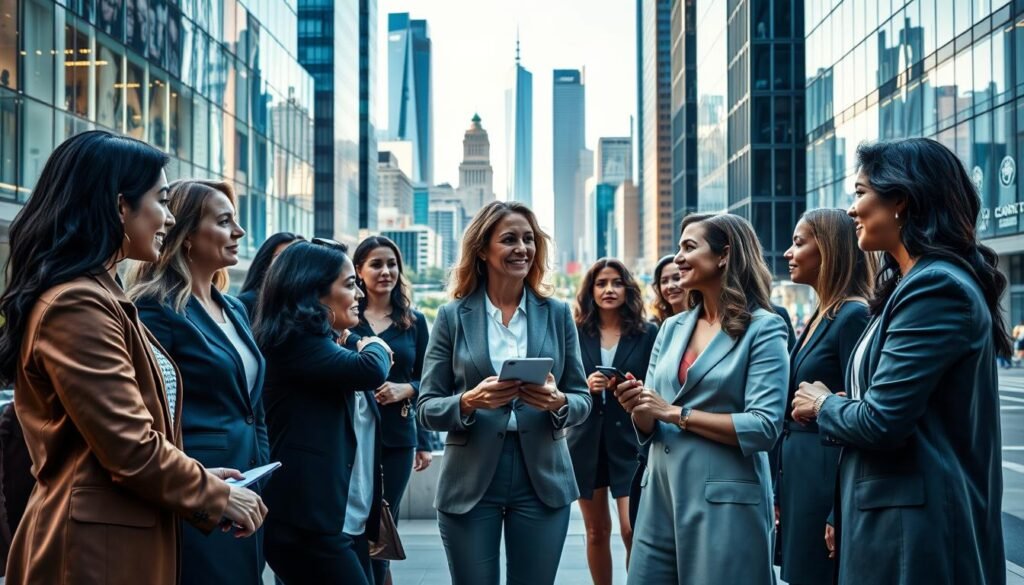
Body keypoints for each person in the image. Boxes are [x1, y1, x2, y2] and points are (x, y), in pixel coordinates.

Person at [0, 130, 265, 585]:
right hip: (93, 554)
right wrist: (214, 493)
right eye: (161, 200)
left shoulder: (105, 296)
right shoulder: (77, 304)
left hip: (123, 539)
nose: (167, 217)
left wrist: (200, 476)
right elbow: (128, 446)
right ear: (120, 206)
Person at [792, 138, 1007, 584]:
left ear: (900, 202)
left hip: (916, 535)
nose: (851, 209)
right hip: (893, 523)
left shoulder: (935, 289)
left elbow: (882, 421)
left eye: (860, 193)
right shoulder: (911, 286)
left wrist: (824, 405)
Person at [417, 200, 591, 585]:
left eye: (529, 239)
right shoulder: (452, 316)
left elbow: (582, 398)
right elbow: (426, 407)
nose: (522, 248)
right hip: (471, 478)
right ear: (482, 250)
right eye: (509, 239)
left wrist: (559, 402)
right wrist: (469, 401)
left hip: (542, 476)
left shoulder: (558, 312)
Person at [615, 213, 789, 584]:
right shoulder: (671, 327)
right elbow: (653, 417)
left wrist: (674, 412)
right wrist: (639, 408)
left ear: (724, 255)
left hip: (724, 503)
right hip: (658, 496)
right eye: (679, 247)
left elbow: (763, 427)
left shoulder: (765, 327)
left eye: (689, 247)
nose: (678, 257)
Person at [126, 179, 269, 585]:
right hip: (198, 492)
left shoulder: (235, 309)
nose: (238, 232)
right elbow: (149, 415)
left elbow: (252, 407)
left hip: (247, 488)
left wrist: (263, 470)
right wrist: (198, 488)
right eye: (225, 222)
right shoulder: (154, 309)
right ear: (187, 235)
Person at [256, 240, 393, 585]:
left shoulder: (327, 345)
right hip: (309, 525)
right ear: (314, 292)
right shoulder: (293, 342)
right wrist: (374, 342)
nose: (359, 293)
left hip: (345, 519)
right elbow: (371, 370)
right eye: (349, 284)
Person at [777, 208, 872, 585]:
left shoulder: (853, 316)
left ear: (830, 250)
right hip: (801, 480)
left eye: (799, 243)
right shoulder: (821, 314)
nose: (788, 252)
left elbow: (862, 411)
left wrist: (837, 510)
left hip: (826, 481)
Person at [569, 258, 658, 585]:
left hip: (630, 441)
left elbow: (656, 384)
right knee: (595, 531)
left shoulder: (648, 333)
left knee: (631, 528)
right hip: (585, 442)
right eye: (601, 283)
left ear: (627, 289)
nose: (609, 289)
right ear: (590, 291)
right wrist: (585, 387)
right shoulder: (575, 332)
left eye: (616, 283)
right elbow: (564, 385)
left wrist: (628, 385)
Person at [351, 235, 433, 585]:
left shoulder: (413, 322)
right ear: (358, 271)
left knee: (384, 523)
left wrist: (407, 390)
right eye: (376, 264)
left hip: (398, 438)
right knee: (354, 523)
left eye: (391, 264)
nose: (386, 272)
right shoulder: (346, 317)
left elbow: (431, 379)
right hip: (352, 435)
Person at [236, 232, 304, 320]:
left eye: (297, 258)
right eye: (281, 257)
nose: (289, 264)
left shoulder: (310, 305)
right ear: (266, 264)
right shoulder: (245, 303)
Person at [651, 254, 686, 324]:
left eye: (677, 278)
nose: (670, 286)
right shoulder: (655, 325)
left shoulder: (705, 319)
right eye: (664, 281)